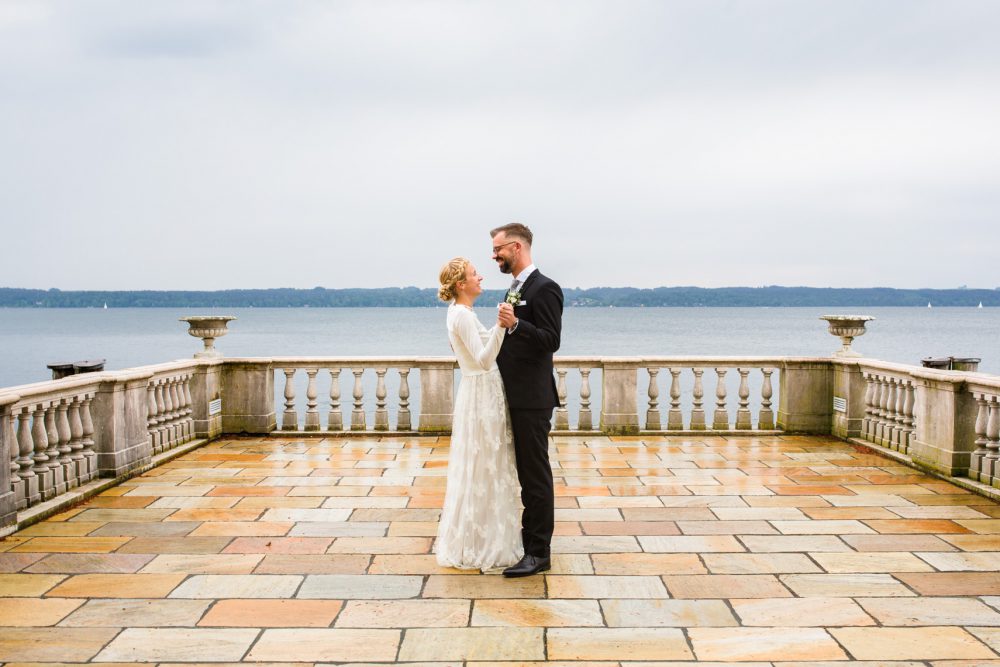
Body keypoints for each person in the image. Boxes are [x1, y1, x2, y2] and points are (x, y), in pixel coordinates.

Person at [434, 257, 523, 571]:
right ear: (461, 284)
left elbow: (484, 350)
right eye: (474, 275)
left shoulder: (463, 313)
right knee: (483, 463)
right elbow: (484, 360)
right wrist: (501, 325)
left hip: (483, 391)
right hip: (481, 390)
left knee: (488, 463)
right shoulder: (462, 316)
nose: (480, 277)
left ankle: (483, 534)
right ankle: (480, 542)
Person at [491, 223, 563, 577]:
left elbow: (551, 340)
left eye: (498, 249)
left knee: (535, 475)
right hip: (515, 395)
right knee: (524, 472)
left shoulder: (545, 288)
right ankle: (528, 541)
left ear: (516, 247)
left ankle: (539, 552)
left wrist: (517, 325)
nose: (494, 255)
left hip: (533, 400)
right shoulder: (516, 288)